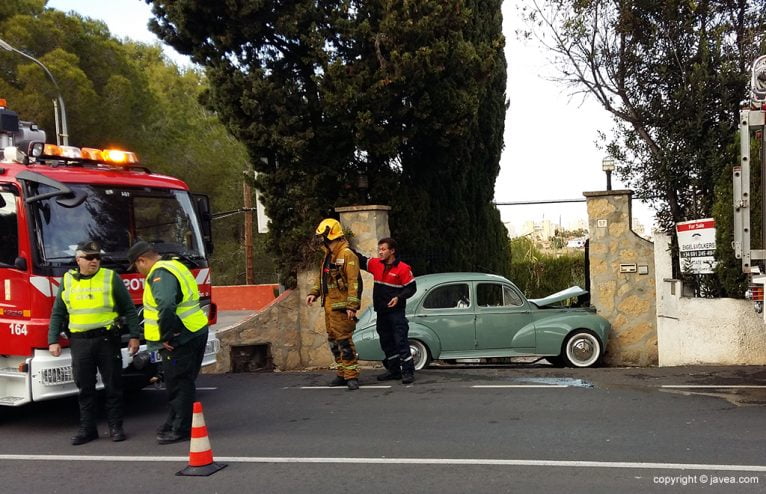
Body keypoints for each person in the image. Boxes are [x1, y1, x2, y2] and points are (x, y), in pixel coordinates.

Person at [48, 240, 141, 445]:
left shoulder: (110, 278)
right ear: (78, 259)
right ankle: (88, 429)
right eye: (89, 257)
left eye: (97, 257)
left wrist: (135, 335)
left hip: (107, 339)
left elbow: (129, 308)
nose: (94, 261)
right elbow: (58, 312)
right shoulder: (68, 280)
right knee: (85, 388)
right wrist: (53, 339)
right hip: (80, 342)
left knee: (113, 385)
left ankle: (116, 426)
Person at [127, 240, 209, 444]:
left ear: (142, 260)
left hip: (179, 338)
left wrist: (166, 336)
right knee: (183, 382)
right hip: (194, 329)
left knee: (178, 384)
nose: (138, 272)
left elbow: (166, 305)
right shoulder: (175, 265)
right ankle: (174, 421)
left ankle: (180, 428)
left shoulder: (159, 273)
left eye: (136, 267)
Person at [306, 218, 363, 390]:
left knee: (344, 341)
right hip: (330, 304)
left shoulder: (347, 255)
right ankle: (341, 372)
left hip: (342, 306)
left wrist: (352, 306)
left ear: (330, 235)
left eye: (322, 236)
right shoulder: (328, 255)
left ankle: (351, 375)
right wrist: (313, 292)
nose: (320, 240)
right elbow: (322, 278)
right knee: (333, 340)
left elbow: (354, 282)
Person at [355, 238, 417, 384]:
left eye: (383, 249)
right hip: (381, 312)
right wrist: (344, 245)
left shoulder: (403, 268)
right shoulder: (376, 264)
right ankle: (394, 371)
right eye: (379, 249)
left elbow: (411, 288)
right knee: (386, 341)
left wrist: (398, 297)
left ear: (392, 251)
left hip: (396, 313)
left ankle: (408, 371)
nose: (380, 252)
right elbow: (360, 260)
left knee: (400, 341)